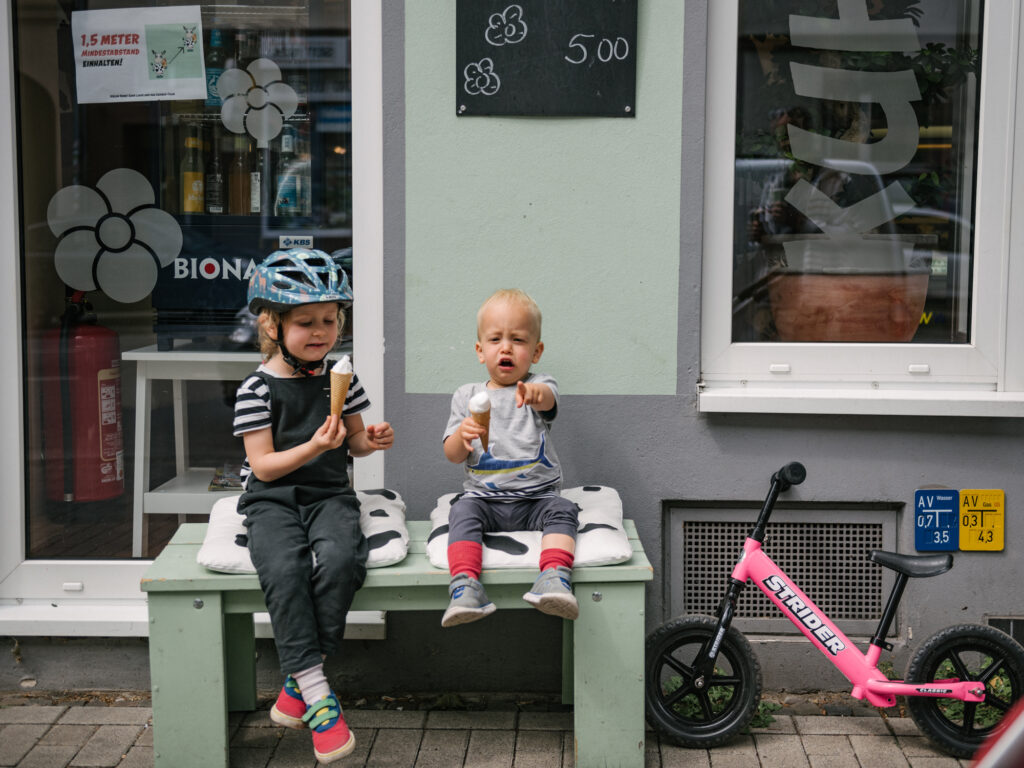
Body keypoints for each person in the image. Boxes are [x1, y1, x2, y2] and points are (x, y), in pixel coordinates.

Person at [232, 248, 394, 764]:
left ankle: (300, 681)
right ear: (271, 324)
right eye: (305, 322)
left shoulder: (341, 379)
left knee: (343, 561)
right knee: (285, 568)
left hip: (328, 495)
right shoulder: (256, 388)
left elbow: (355, 442)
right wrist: (314, 447)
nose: (321, 331)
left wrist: (372, 439)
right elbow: (263, 466)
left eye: (330, 320)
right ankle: (321, 697)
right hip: (272, 500)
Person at [441, 288, 579, 628]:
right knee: (460, 510)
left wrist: (536, 395)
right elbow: (451, 453)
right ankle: (465, 587)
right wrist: (462, 436)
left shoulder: (538, 385)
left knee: (565, 510)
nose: (506, 348)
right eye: (495, 339)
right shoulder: (466, 396)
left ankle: (554, 577)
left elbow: (549, 400)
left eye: (518, 340)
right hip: (484, 500)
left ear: (536, 351)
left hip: (537, 498)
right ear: (480, 350)